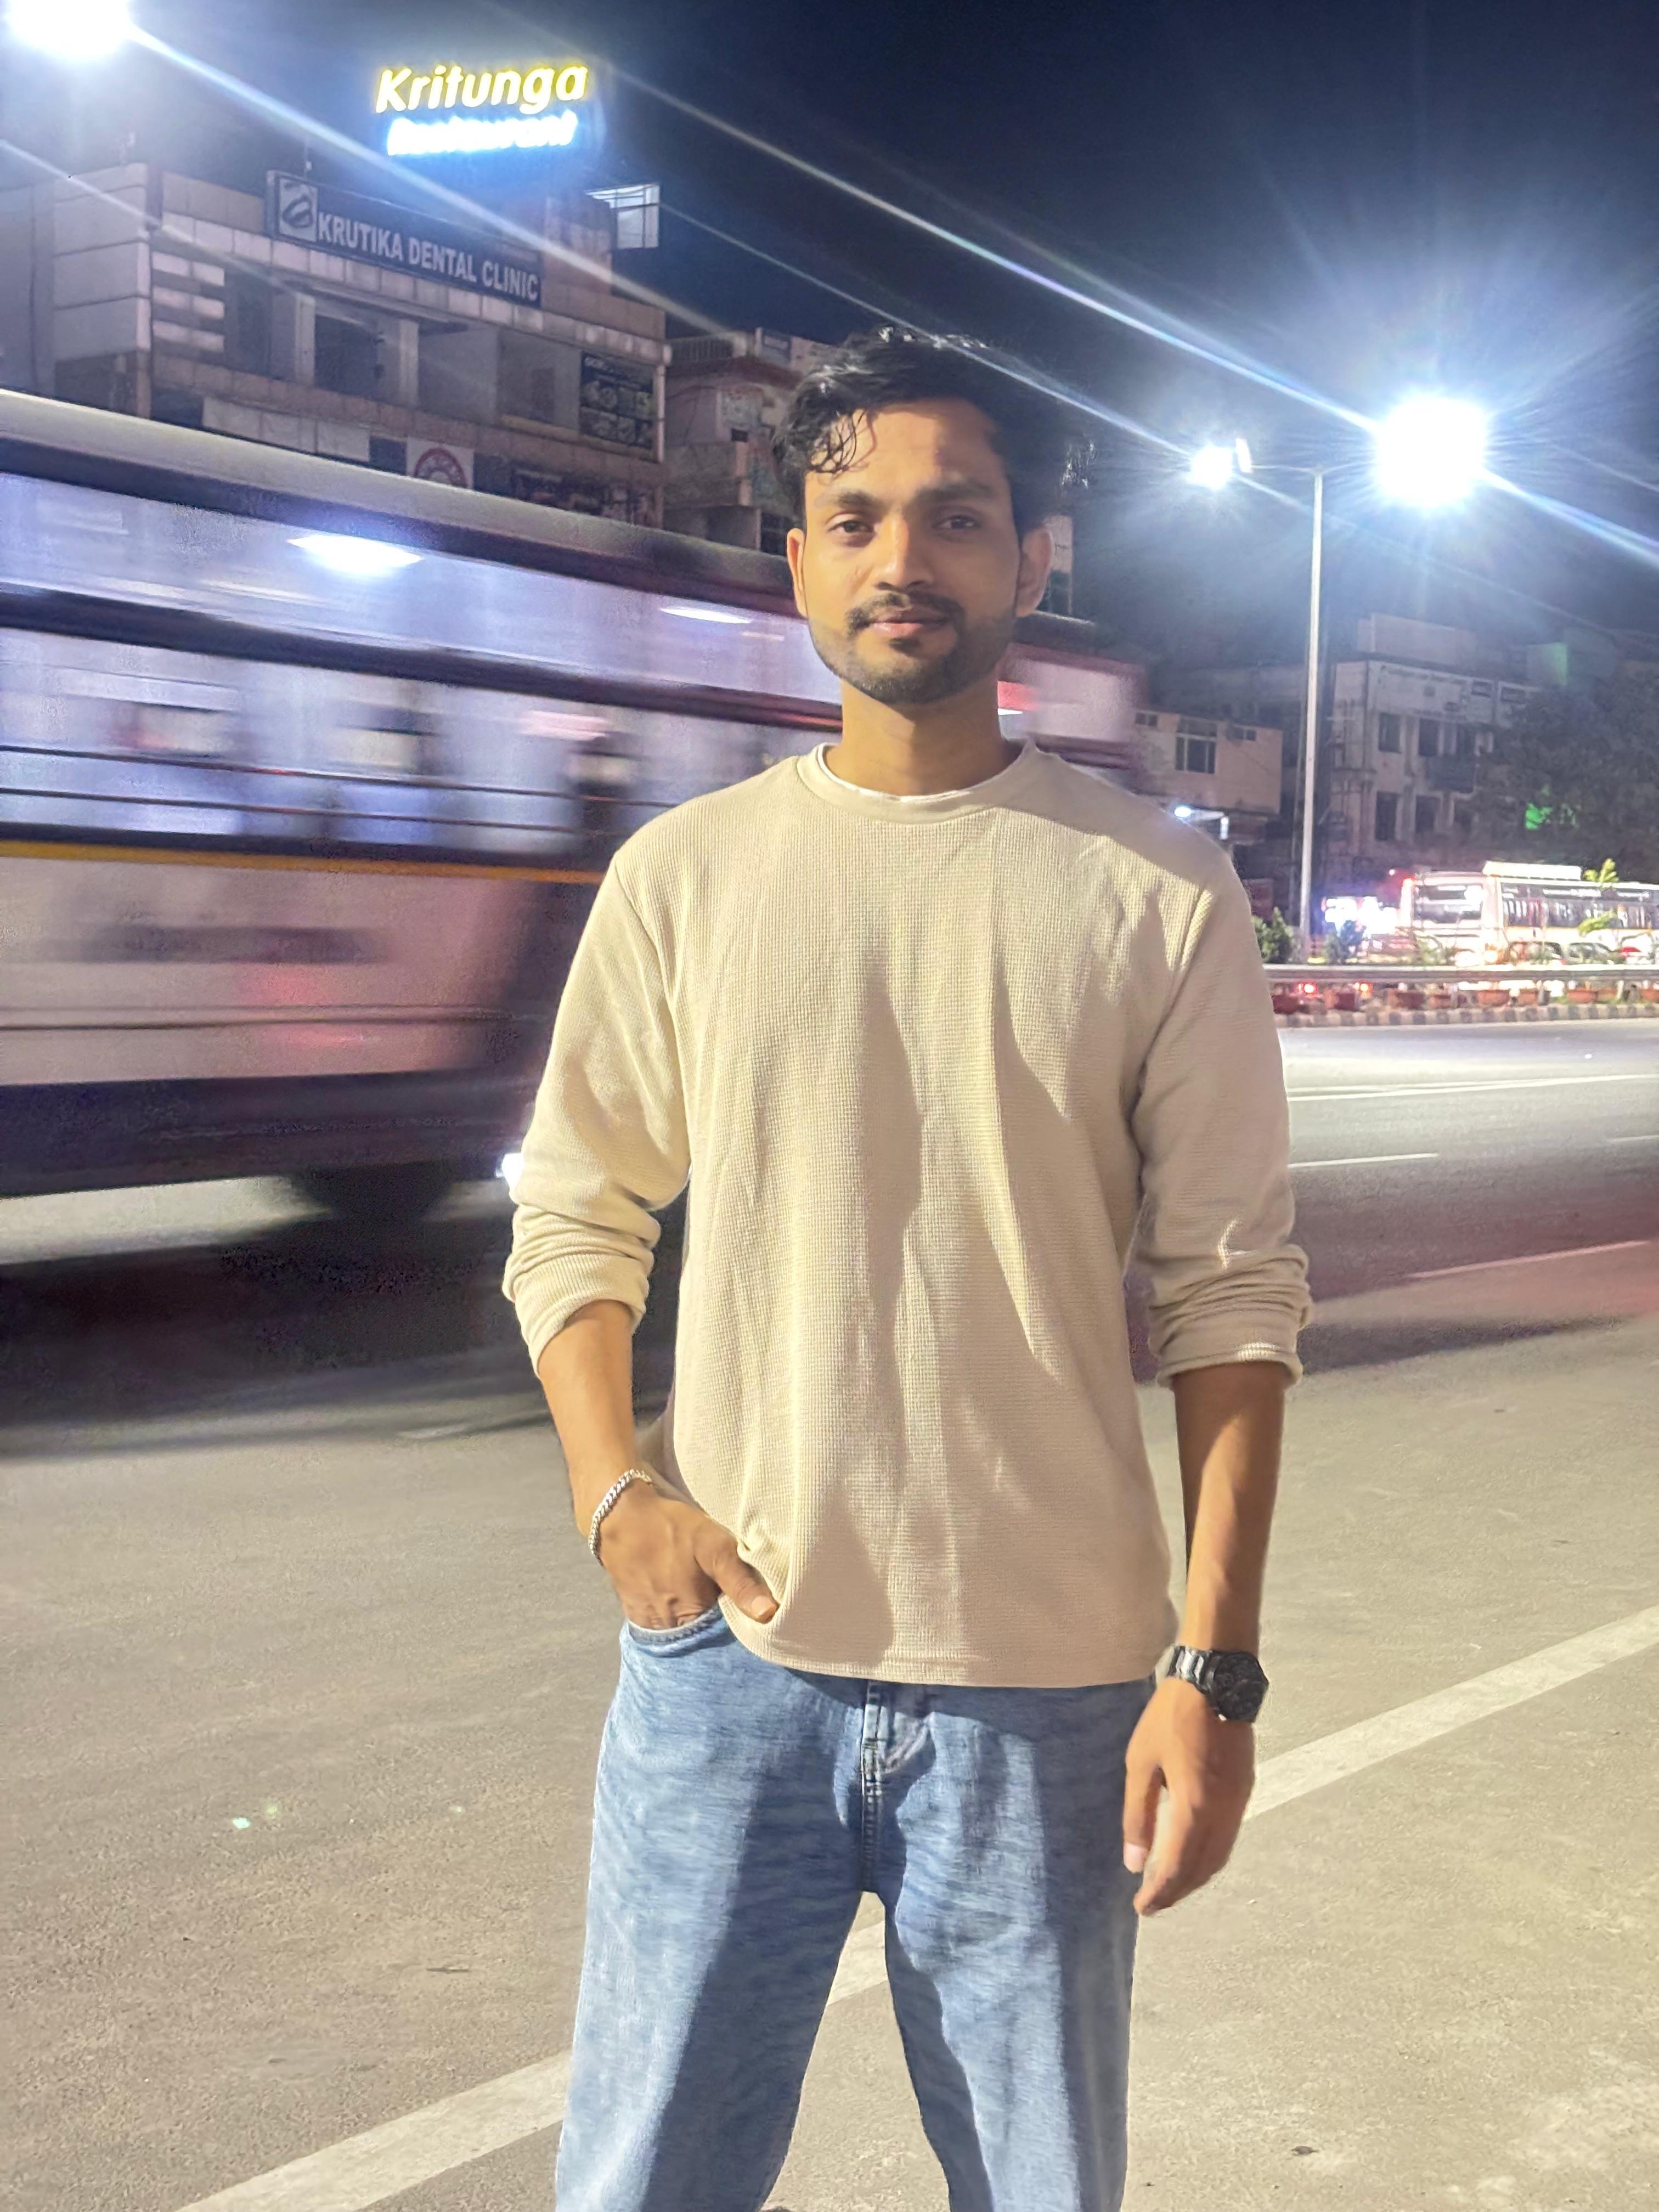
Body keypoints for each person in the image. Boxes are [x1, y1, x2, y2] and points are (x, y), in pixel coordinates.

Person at [505, 326, 1311, 2212]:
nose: (902, 560)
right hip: (733, 1666)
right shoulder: (687, 877)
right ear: (797, 562)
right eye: (854, 519)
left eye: (955, 517)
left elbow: (1232, 1295)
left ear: (1033, 559)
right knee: (640, 2182)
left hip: (1049, 1694)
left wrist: (1214, 1669)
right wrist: (614, 1491)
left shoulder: (1155, 889)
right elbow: (577, 1210)